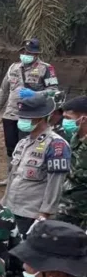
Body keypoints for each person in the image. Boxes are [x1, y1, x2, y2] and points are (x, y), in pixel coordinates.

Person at [2, 93, 71, 234]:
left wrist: (45, 214)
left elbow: (55, 184)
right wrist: (4, 204)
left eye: (26, 117)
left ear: (40, 118)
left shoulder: (56, 145)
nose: (22, 120)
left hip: (31, 214)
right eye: (21, 116)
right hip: (11, 209)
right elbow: (13, 177)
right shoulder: (23, 143)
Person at [0, 38, 59, 162]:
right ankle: (10, 175)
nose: (25, 55)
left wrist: (35, 94)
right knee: (10, 147)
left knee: (27, 145)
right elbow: (3, 90)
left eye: (28, 53)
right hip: (11, 114)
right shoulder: (13, 67)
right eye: (23, 52)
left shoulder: (46, 69)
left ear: (36, 54)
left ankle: (23, 173)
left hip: (31, 115)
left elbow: (54, 91)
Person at [56, 95, 87, 228]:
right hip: (66, 208)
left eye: (68, 118)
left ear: (83, 119)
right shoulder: (73, 138)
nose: (64, 122)